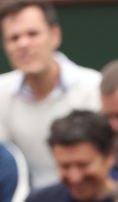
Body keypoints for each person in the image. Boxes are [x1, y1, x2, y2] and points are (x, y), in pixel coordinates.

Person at [0, 0, 100, 188]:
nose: (23, 44)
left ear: (55, 35)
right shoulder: (1, 93)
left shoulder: (93, 88)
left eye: (32, 34)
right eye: (13, 38)